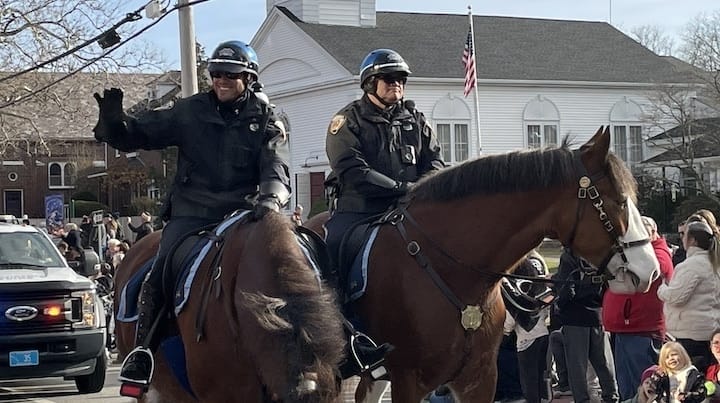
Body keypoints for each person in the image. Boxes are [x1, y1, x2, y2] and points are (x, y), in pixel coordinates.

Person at [92, 39, 291, 392]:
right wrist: (114, 123)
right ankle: (142, 351)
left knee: (302, 262)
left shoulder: (266, 118)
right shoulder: (189, 110)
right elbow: (140, 133)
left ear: (249, 78)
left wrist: (272, 199)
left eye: (230, 74)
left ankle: (319, 347)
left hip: (245, 214)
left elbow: (276, 164)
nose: (221, 80)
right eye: (215, 73)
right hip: (193, 213)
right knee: (161, 269)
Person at [323, 48, 445, 375]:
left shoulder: (416, 120)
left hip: (409, 209)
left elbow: (434, 162)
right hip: (358, 210)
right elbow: (352, 169)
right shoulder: (346, 120)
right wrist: (401, 189)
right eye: (389, 79)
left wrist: (423, 191)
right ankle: (341, 334)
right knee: (331, 254)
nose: (396, 85)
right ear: (369, 83)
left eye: (401, 80)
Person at [603, 215, 674, 400]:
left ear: (652, 232)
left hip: (641, 328)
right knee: (627, 385)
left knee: (642, 385)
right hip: (626, 327)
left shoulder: (658, 252)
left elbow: (656, 271)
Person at [554, 248, 619, 403]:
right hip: (597, 314)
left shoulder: (570, 256)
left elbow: (567, 289)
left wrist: (559, 305)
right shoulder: (599, 254)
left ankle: (582, 400)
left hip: (575, 317)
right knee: (604, 363)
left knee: (578, 368)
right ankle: (612, 397)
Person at [658, 220, 720, 374]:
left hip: (689, 335)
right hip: (709, 332)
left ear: (692, 240)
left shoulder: (691, 265)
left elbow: (676, 297)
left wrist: (661, 287)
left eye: (684, 235)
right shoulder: (714, 264)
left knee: (687, 384)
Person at [503, 253, 551, 403]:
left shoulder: (518, 289)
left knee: (529, 379)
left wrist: (504, 331)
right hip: (543, 330)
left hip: (527, 336)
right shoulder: (538, 280)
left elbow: (514, 312)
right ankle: (545, 398)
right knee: (542, 373)